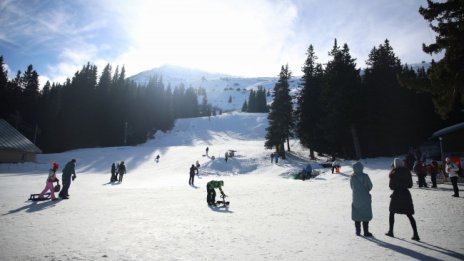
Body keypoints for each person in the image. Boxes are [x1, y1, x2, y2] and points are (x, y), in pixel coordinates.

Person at [385, 158, 420, 241]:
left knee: (392, 212)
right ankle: (416, 234)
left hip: (396, 194)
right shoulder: (407, 171)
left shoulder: (393, 172)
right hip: (405, 194)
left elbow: (391, 186)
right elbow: (410, 185)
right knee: (409, 214)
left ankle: (391, 231)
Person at [350, 161, 373, 237]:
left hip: (356, 198)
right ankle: (366, 232)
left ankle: (358, 231)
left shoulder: (352, 177)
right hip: (365, 197)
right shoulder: (365, 176)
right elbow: (370, 186)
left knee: (357, 214)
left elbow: (351, 187)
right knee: (365, 213)